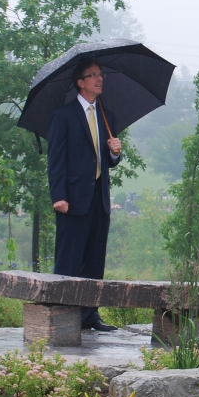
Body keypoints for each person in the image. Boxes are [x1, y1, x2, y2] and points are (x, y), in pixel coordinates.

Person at [47, 59, 122, 331]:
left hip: (99, 200)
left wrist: (115, 151)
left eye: (101, 75)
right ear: (80, 82)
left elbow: (107, 161)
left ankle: (90, 315)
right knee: (69, 260)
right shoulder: (63, 116)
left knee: (94, 259)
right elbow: (55, 159)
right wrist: (59, 195)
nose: (100, 79)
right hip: (72, 201)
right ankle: (64, 314)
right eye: (93, 76)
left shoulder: (107, 116)